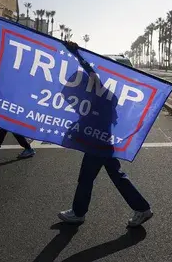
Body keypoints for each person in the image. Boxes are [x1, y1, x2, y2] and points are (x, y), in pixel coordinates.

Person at [57, 41, 153, 228]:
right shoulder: (107, 95)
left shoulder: (101, 92)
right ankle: (141, 208)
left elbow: (90, 71)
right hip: (102, 140)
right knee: (114, 175)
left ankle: (78, 213)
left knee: (88, 177)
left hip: (98, 142)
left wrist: (76, 53)